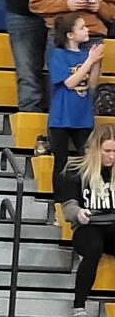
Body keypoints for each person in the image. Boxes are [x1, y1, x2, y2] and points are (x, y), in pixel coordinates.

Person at [57, 124, 115, 317]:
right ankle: (78, 309)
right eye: (107, 151)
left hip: (112, 225)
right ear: (95, 149)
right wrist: (78, 214)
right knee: (92, 247)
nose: (111, 156)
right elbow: (69, 205)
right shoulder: (76, 168)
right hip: (87, 225)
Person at [47, 14, 104, 193]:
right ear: (70, 35)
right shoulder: (57, 54)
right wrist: (89, 61)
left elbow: (92, 84)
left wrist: (95, 63)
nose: (87, 30)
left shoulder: (87, 55)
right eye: (81, 27)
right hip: (61, 116)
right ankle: (60, 201)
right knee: (61, 161)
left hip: (83, 115)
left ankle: (85, 199)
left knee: (88, 159)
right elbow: (69, 83)